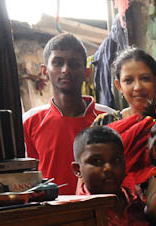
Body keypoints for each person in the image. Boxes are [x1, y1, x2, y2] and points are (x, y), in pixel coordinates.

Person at [23, 33, 114, 193]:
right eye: (58, 63)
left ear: (87, 72)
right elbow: (26, 178)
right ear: (44, 71)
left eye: (74, 63)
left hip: (101, 211)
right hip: (52, 213)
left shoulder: (109, 118)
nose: (66, 70)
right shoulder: (30, 122)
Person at [94, 47, 156, 192]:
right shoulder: (105, 123)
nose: (137, 87)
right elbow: (88, 172)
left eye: (145, 78)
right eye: (128, 80)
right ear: (119, 86)